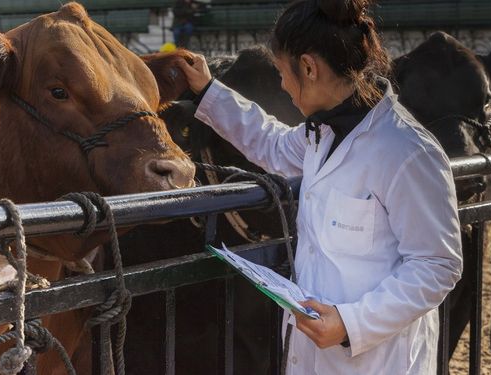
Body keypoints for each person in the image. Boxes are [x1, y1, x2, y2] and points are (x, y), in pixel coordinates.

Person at [177, 0, 463, 373]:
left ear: (308, 67)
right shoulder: (325, 131)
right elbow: (272, 144)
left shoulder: (408, 152)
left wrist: (351, 323)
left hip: (377, 360)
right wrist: (208, 91)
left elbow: (437, 265)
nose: (281, 84)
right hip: (315, 352)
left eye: (282, 72)